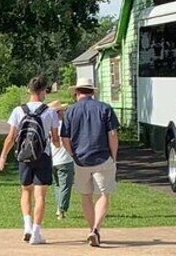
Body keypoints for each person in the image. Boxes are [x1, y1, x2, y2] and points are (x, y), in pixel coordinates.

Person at [0, 76, 60, 245]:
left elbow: (11, 137)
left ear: (29, 91)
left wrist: (3, 156)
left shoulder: (19, 110)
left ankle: (27, 226)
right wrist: (57, 143)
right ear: (42, 92)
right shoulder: (50, 112)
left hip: (24, 156)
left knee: (26, 191)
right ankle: (37, 232)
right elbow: (55, 139)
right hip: (43, 155)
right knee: (40, 195)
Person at [60, 77, 119, 248]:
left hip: (80, 159)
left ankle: (91, 229)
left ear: (77, 92)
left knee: (85, 195)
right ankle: (95, 229)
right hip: (102, 157)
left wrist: (72, 154)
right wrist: (114, 155)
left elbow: (65, 138)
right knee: (103, 194)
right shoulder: (104, 108)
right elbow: (113, 135)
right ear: (92, 92)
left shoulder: (70, 111)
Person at [48, 100, 74, 219]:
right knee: (65, 185)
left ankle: (58, 207)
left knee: (57, 185)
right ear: (58, 112)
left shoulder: (50, 126)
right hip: (65, 159)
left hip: (52, 159)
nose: (65, 112)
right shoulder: (64, 125)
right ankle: (62, 209)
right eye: (63, 110)